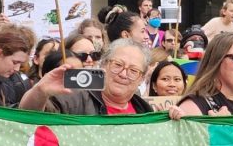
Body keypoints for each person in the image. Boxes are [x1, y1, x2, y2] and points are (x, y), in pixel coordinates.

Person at [21, 39, 154, 115]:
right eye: (117, 65)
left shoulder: (145, 110)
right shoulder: (73, 98)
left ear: (141, 78)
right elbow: (27, 118)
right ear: (103, 65)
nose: (123, 74)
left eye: (133, 70)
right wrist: (40, 91)